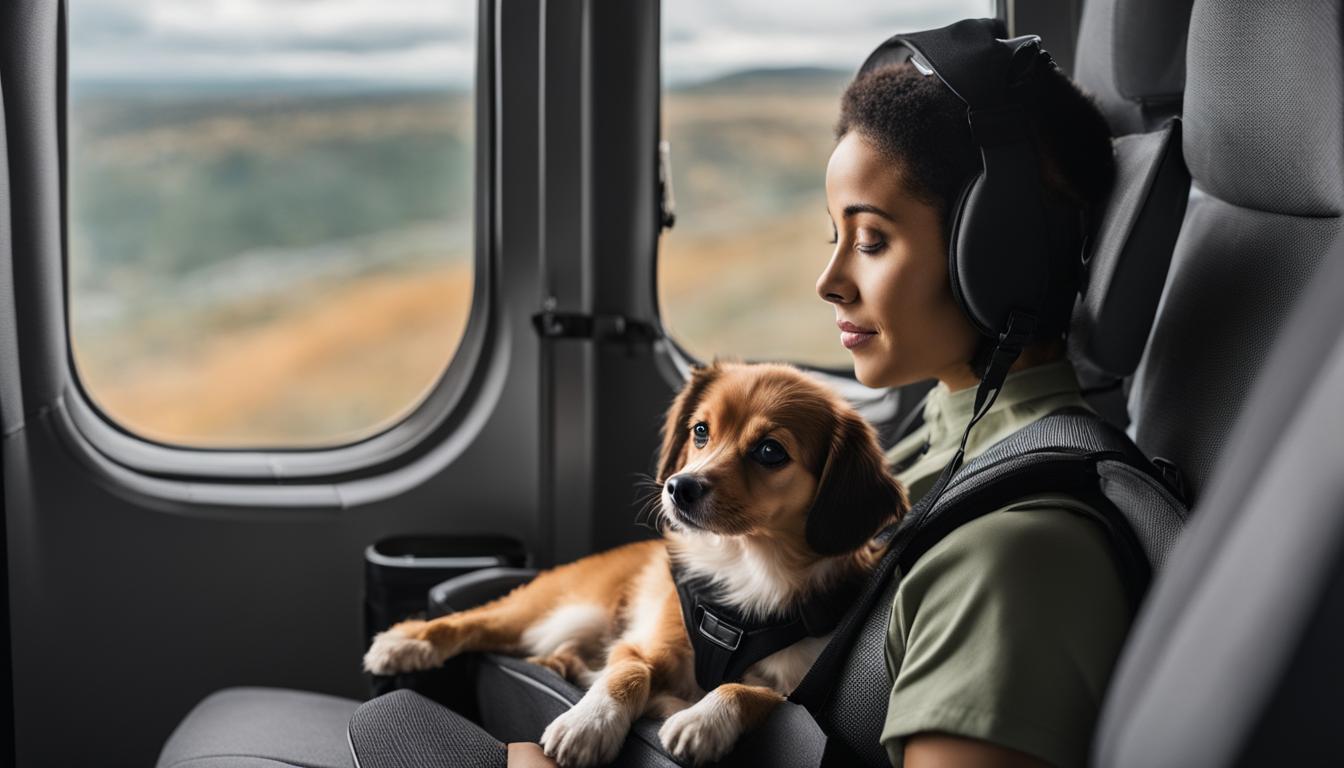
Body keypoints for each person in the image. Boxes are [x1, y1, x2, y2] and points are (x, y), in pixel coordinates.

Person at [815, 56, 1123, 768]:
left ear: (997, 257)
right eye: (831, 237)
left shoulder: (1012, 563)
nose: (828, 282)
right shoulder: (946, 435)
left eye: (870, 242)